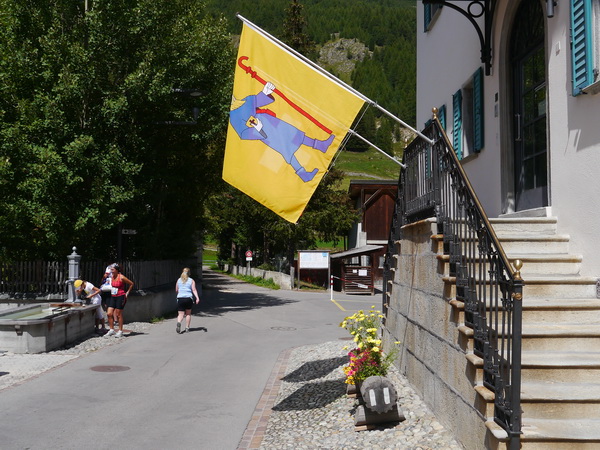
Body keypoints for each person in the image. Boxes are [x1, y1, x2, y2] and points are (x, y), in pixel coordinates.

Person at [104, 263, 134, 338]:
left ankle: (120, 331)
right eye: (111, 269)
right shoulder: (112, 276)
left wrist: (127, 293)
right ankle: (111, 330)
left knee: (118, 314)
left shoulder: (121, 277)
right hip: (113, 296)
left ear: (117, 270)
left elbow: (131, 283)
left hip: (120, 296)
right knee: (109, 313)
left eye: (113, 269)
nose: (111, 271)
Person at [175, 267, 200, 334]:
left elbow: (176, 290)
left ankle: (179, 322)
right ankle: (187, 328)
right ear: (189, 273)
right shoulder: (191, 280)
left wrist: (179, 294)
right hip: (188, 298)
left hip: (180, 298)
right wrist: (197, 298)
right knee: (188, 314)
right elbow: (194, 290)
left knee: (180, 314)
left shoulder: (178, 280)